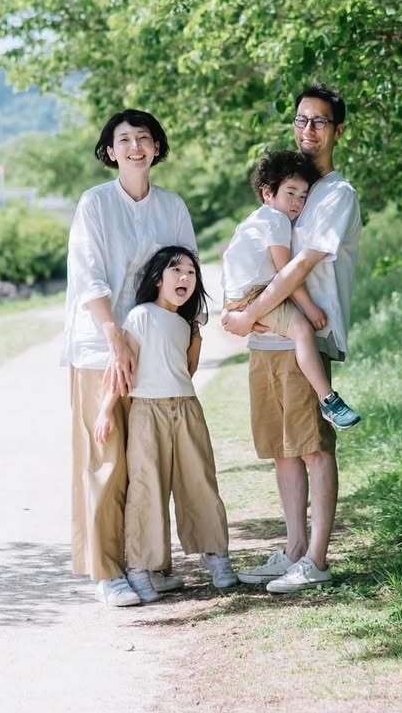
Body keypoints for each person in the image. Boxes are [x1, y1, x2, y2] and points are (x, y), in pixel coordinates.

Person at [221, 84, 361, 594]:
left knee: (313, 449)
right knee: (284, 450)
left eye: (319, 121)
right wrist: (250, 317)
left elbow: (301, 263)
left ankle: (317, 558)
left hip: (307, 337)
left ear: (337, 130)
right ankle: (295, 548)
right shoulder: (289, 186)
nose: (308, 129)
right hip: (267, 338)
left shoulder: (335, 193)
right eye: (301, 120)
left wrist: (247, 314)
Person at [64, 109, 197, 607]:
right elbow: (89, 277)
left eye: (144, 138)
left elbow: (188, 274)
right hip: (101, 346)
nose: (136, 146)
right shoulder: (95, 204)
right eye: (125, 139)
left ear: (157, 148)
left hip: (154, 348)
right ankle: (107, 570)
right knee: (106, 457)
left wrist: (187, 342)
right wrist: (114, 338)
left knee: (147, 459)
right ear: (110, 151)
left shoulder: (172, 206)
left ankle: (147, 561)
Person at [94, 245, 237, 600]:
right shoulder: (140, 315)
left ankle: (216, 557)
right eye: (177, 270)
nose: (185, 277)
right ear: (158, 279)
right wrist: (105, 410)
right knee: (147, 488)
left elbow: (186, 370)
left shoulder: (184, 324)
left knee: (200, 483)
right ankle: (140, 569)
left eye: (191, 272)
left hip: (186, 407)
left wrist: (196, 334)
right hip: (147, 410)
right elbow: (123, 366)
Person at [223, 150, 360, 429]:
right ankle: (328, 401)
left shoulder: (254, 219)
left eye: (303, 196)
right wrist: (309, 307)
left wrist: (232, 307)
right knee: (302, 331)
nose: (297, 202)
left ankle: (326, 400)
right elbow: (285, 271)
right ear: (267, 193)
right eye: (290, 193)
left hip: (241, 295)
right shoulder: (277, 221)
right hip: (254, 294)